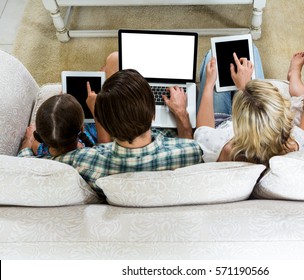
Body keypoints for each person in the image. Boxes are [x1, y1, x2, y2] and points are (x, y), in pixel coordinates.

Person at [19, 69, 202, 198]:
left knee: (111, 61)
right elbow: (188, 146)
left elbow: (28, 168)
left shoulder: (84, 162)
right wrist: (182, 116)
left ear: (105, 125)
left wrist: (28, 143)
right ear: (153, 114)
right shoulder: (192, 151)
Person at [194, 52, 304, 165]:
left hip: (219, 121)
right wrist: (245, 87)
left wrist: (209, 84)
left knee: (213, 55)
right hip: (245, 117)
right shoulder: (294, 145)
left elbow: (203, 130)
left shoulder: (226, 151)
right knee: (251, 51)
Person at [19, 94, 95, 157]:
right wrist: (95, 111)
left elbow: (23, 157)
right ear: (82, 129)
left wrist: (28, 139)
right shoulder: (90, 156)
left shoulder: (39, 151)